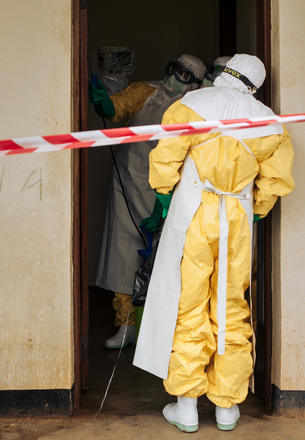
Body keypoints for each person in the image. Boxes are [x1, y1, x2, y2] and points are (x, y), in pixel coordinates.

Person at [133, 54, 294, 432]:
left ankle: (186, 405)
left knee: (188, 302)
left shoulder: (190, 106)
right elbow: (275, 181)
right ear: (255, 86)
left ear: (222, 74)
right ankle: (226, 406)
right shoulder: (271, 122)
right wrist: (256, 211)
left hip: (193, 210)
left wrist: (164, 196)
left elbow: (164, 161)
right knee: (231, 303)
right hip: (238, 217)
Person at [90, 54, 207, 349]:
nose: (174, 77)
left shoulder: (196, 107)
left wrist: (162, 205)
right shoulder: (145, 91)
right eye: (174, 69)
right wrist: (102, 99)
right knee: (122, 255)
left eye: (184, 75)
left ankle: (161, 329)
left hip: (167, 192)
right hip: (129, 184)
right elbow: (115, 109)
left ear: (194, 83)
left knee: (167, 259)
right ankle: (126, 326)